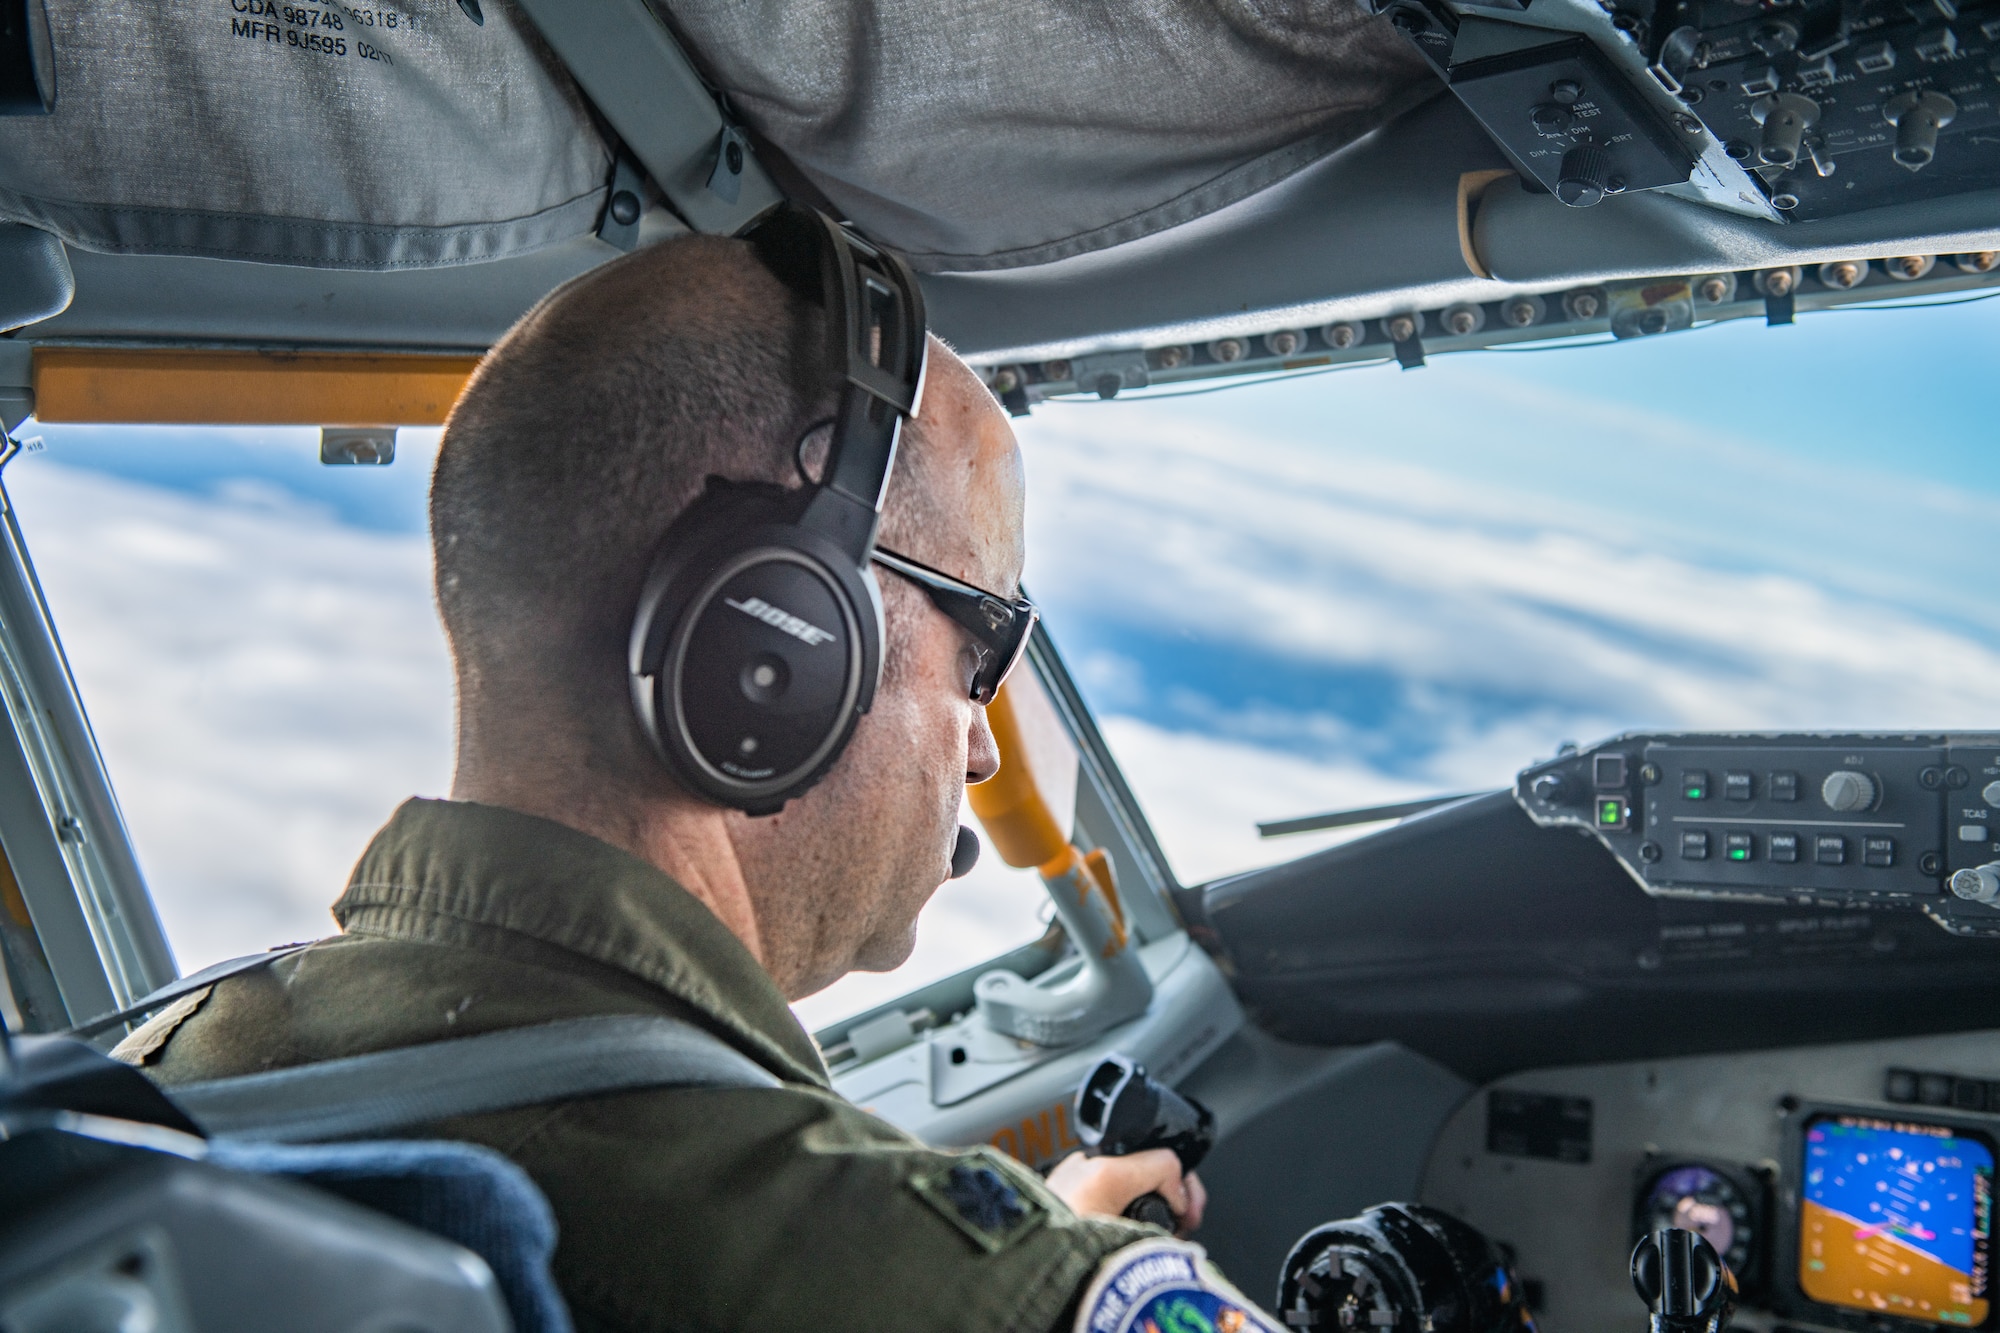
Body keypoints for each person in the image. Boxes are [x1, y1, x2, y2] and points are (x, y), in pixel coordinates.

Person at [119, 228, 1238, 1332]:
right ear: (786, 650)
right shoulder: (917, 1285)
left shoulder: (162, 1071)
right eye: (980, 645)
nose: (985, 747)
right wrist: (1016, 1279)